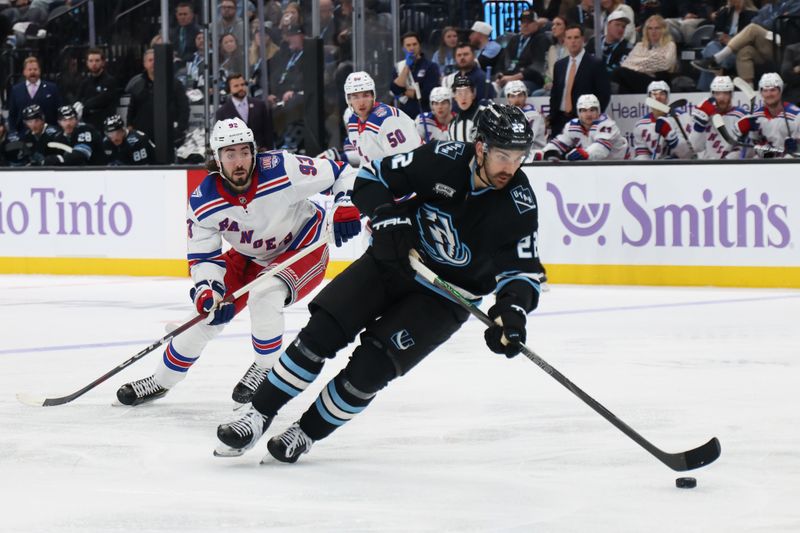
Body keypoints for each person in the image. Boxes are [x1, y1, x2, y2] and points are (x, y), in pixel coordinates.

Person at [213, 104, 543, 464]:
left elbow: (522, 271)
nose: (510, 167)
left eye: (518, 157)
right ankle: (258, 413)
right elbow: (372, 177)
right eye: (502, 155)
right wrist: (388, 219)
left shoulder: (519, 204)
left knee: (370, 370)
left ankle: (306, 432)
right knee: (320, 334)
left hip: (445, 300)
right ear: (480, 147)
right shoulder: (441, 159)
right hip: (396, 259)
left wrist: (512, 312)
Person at [115, 118, 362, 407]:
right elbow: (204, 256)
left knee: (265, 294)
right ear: (217, 159)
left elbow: (342, 172)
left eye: (245, 152)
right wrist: (209, 290)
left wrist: (345, 203)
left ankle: (265, 369)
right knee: (202, 318)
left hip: (302, 247)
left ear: (254, 152)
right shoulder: (203, 201)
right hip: (250, 257)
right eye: (230, 154)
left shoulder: (282, 168)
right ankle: (160, 381)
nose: (239, 161)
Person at [692, 0, 800, 87]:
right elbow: (756, 21)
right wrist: (768, 23)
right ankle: (749, 93)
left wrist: (766, 23)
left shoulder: (794, 3)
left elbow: (775, 24)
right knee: (745, 51)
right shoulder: (766, 9)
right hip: (768, 41)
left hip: (784, 45)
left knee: (753, 29)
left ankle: (716, 59)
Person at [334, 71, 421, 166]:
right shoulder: (353, 123)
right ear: (348, 100)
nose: (361, 102)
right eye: (355, 97)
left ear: (373, 96)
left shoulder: (387, 119)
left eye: (366, 95)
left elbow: (408, 162)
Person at [548, 24, 611, 139]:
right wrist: (552, 118)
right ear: (565, 41)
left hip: (584, 121)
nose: (573, 42)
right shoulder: (559, 65)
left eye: (576, 38)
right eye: (569, 38)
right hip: (560, 121)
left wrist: (591, 118)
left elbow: (604, 94)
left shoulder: (595, 64)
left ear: (583, 39)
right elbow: (555, 94)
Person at [126, 48, 190, 150]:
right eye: (150, 60)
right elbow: (132, 109)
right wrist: (129, 127)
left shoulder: (175, 84)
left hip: (168, 135)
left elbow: (184, 107)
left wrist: (180, 129)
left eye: (156, 60)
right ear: (144, 64)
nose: (153, 63)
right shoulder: (137, 85)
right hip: (143, 136)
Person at [694, 0, 757, 92]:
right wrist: (721, 37)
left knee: (709, 61)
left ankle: (711, 89)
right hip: (721, 46)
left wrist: (732, 40)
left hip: (738, 50)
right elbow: (715, 33)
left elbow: (751, 40)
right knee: (711, 45)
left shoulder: (752, 15)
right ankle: (716, 68)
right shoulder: (725, 12)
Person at [543, 93, 629, 160]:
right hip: (595, 167)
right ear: (578, 113)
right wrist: (544, 153)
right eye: (584, 110)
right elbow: (559, 143)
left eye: (592, 110)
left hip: (621, 166)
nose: (588, 114)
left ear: (598, 111)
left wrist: (585, 154)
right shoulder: (572, 126)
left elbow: (601, 149)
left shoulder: (608, 125)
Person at [734, 72, 800, 157]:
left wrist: (797, 148)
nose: (769, 94)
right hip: (763, 166)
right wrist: (743, 135)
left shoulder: (796, 115)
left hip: (788, 166)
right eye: (765, 90)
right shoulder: (755, 116)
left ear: (780, 91)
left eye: (773, 90)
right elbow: (748, 149)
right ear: (761, 93)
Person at [612, 15, 677, 94]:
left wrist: (638, 62)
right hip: (640, 79)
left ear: (663, 30)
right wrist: (650, 62)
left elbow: (664, 64)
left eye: (657, 28)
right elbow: (626, 63)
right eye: (650, 28)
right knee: (619, 73)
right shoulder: (640, 45)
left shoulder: (670, 45)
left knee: (620, 73)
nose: (653, 31)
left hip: (658, 82)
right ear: (646, 30)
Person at [689, 76, 749, 159]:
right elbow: (695, 148)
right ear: (712, 94)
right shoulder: (703, 114)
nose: (721, 97)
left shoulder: (741, 115)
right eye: (717, 93)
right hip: (706, 166)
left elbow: (744, 149)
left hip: (730, 167)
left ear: (731, 95)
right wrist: (699, 125)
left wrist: (725, 161)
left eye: (725, 93)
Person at [632, 81, 694, 160]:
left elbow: (688, 154)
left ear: (667, 97)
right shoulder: (640, 125)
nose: (658, 97)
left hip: (679, 166)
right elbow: (643, 155)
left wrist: (670, 135)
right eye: (654, 94)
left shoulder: (682, 117)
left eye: (662, 94)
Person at [495, 9, 549, 94]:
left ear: (536, 24)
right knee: (491, 87)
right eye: (523, 22)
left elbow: (538, 67)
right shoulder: (515, 39)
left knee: (509, 90)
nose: (525, 25)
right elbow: (503, 61)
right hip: (509, 76)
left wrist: (512, 78)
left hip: (531, 80)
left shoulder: (542, 39)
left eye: (529, 22)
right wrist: (500, 75)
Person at [216, 73, 275, 151]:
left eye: (242, 84)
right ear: (229, 89)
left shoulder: (260, 105)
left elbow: (268, 131)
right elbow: (222, 139)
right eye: (236, 86)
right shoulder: (222, 112)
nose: (241, 88)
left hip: (261, 154)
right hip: (237, 157)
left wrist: (269, 151)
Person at [390, 31, 441, 119]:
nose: (412, 48)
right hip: (405, 116)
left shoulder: (431, 66)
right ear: (403, 48)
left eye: (414, 44)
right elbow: (394, 89)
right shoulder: (399, 66)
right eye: (408, 45)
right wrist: (407, 66)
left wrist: (408, 92)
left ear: (419, 45)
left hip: (426, 115)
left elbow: (429, 93)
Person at [7, 56, 62, 134]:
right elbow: (12, 115)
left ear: (40, 71)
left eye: (35, 69)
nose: (32, 72)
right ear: (24, 72)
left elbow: (58, 111)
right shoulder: (16, 90)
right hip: (22, 134)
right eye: (29, 69)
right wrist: (13, 132)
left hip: (48, 134)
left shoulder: (52, 88)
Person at [74, 48, 120, 132]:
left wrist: (85, 104)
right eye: (91, 61)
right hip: (87, 126)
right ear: (87, 63)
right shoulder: (84, 83)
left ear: (103, 62)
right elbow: (78, 101)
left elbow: (104, 99)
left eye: (97, 60)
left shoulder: (110, 81)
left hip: (106, 127)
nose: (94, 64)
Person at [586, 10, 633, 78]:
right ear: (608, 25)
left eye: (623, 27)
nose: (620, 29)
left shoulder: (627, 47)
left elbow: (619, 73)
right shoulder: (594, 41)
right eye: (617, 25)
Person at [505, 80, 546, 150]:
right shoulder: (506, 114)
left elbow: (527, 140)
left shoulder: (534, 115)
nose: (516, 99)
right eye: (512, 96)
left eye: (520, 95)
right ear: (508, 98)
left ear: (525, 96)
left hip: (534, 155)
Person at [448, 74, 484, 142]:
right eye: (459, 93)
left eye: (466, 92)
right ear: (454, 96)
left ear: (473, 94)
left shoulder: (485, 115)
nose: (463, 97)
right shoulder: (452, 124)